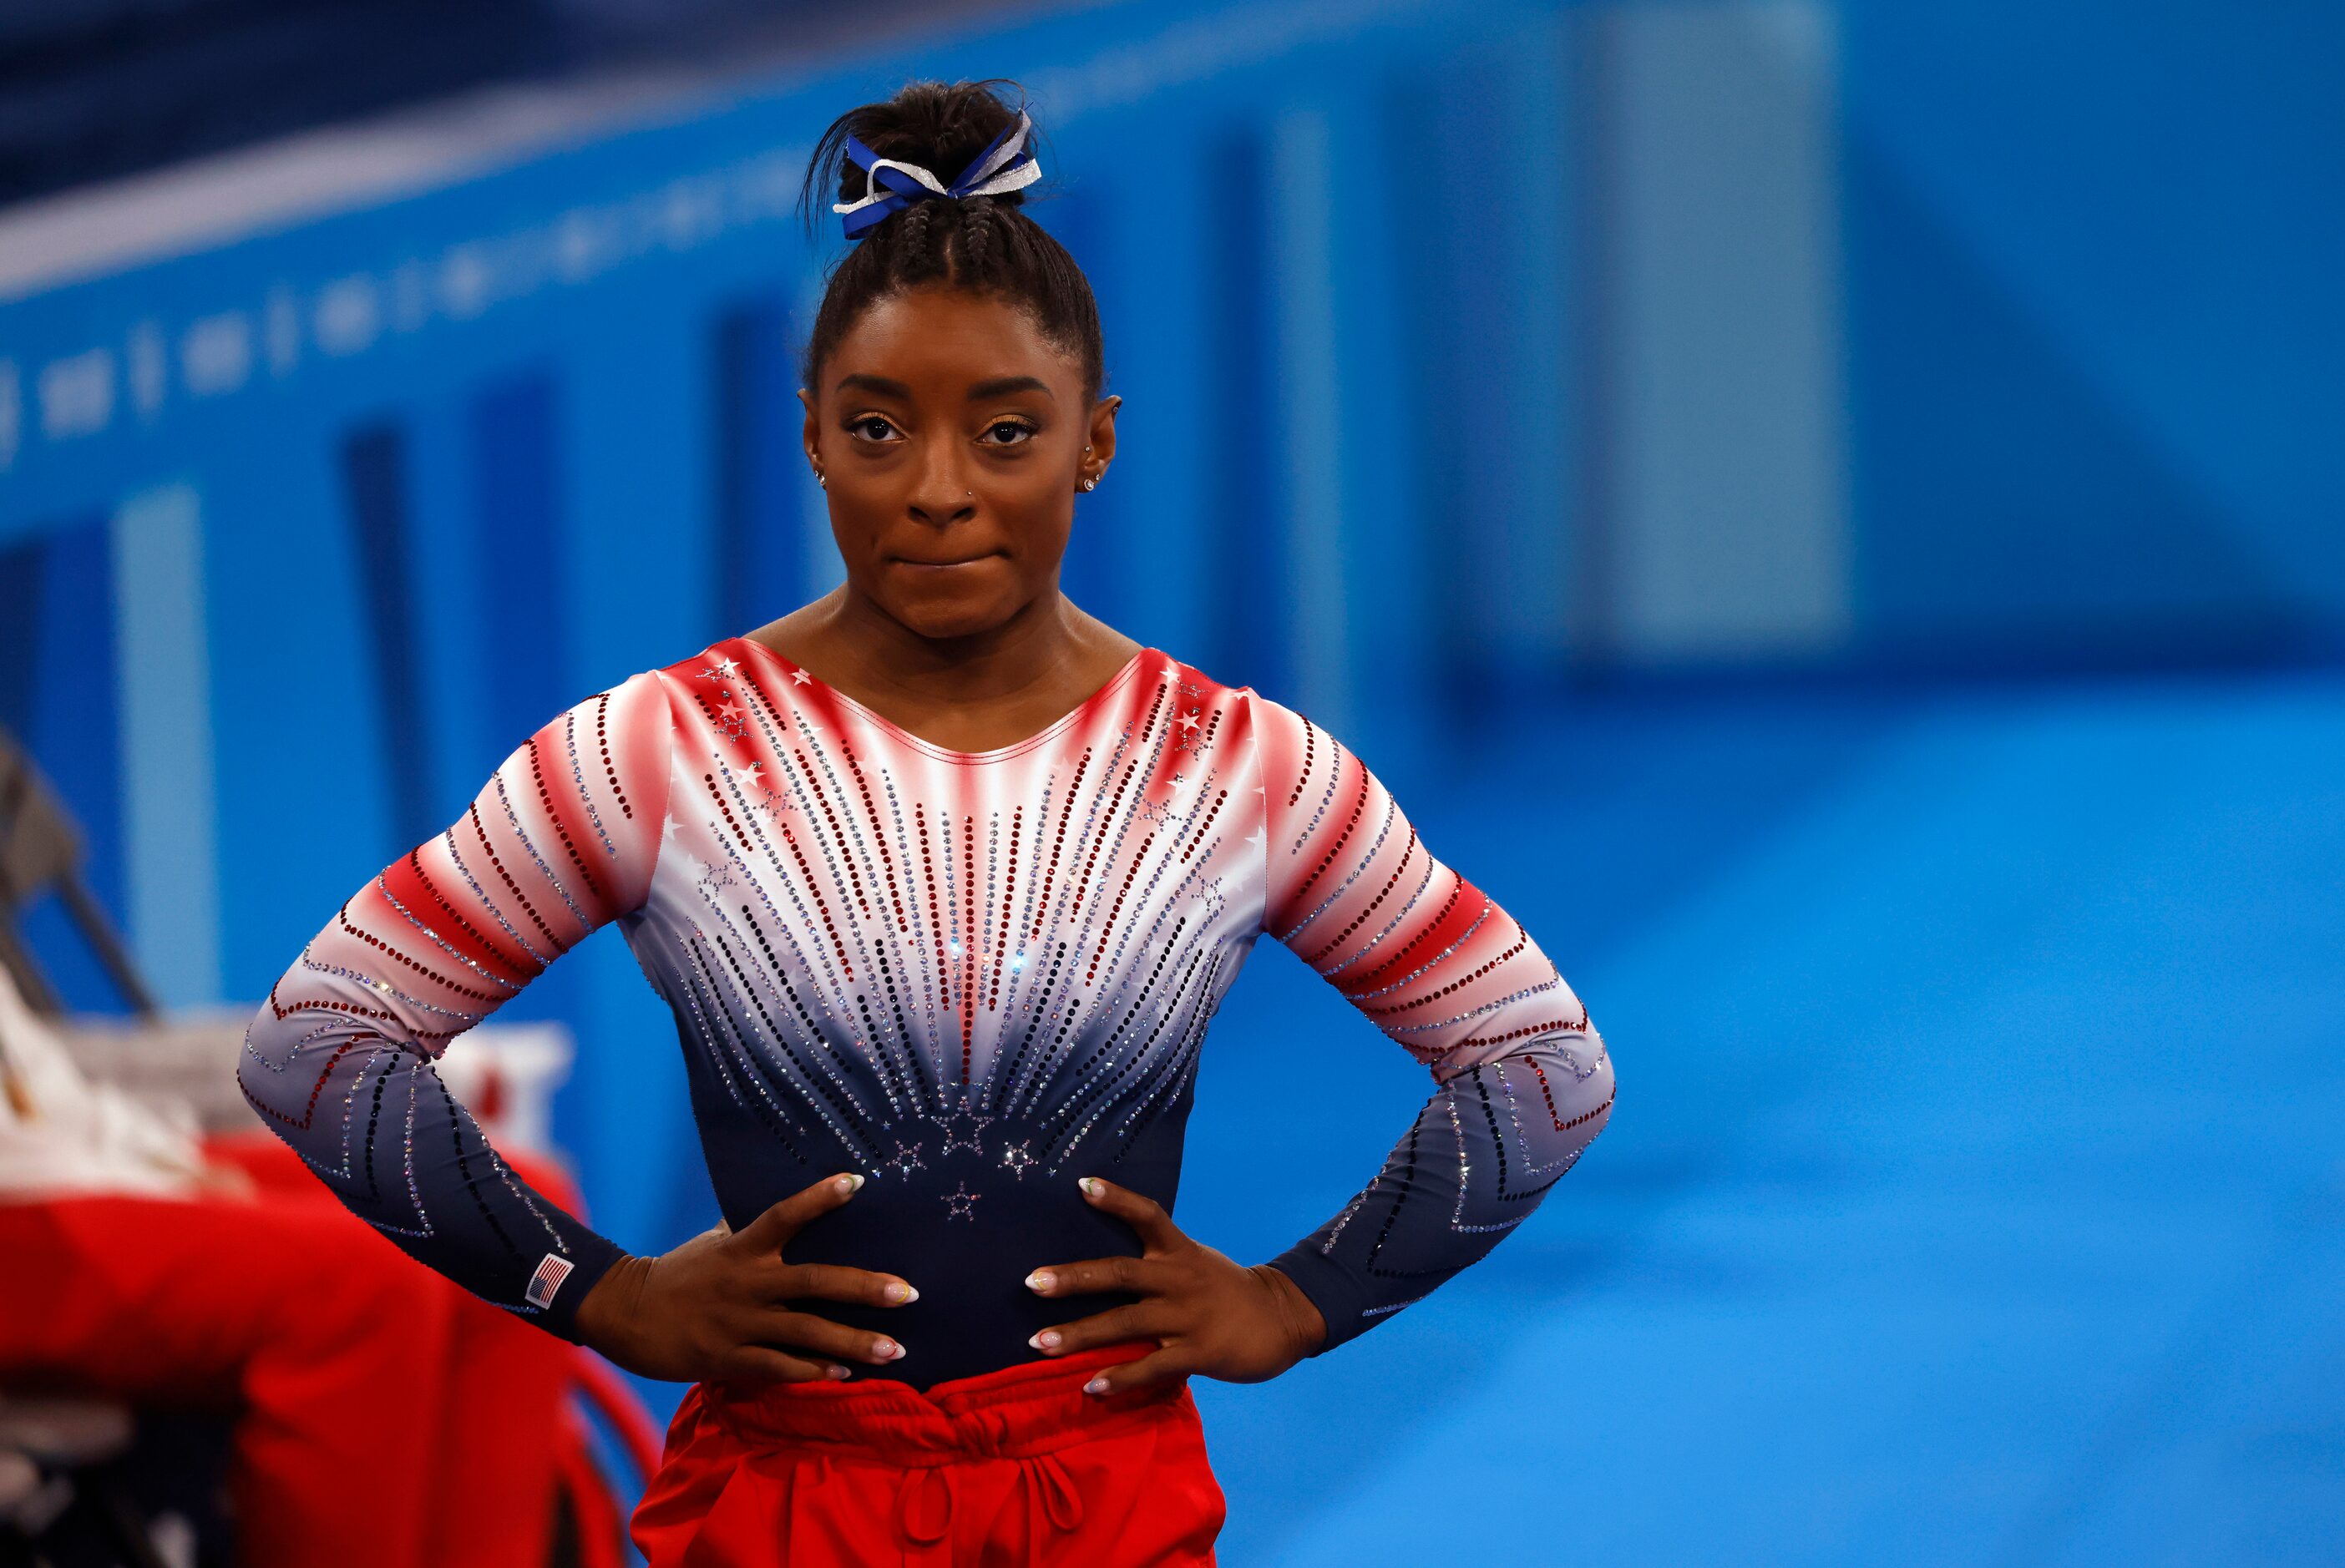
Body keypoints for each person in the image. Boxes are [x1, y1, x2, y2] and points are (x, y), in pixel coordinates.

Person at [237, 78, 1617, 1566]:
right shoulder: (657, 750)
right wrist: (600, 1291)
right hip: (784, 1502)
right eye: (879, 429)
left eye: (1005, 433)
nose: (940, 491)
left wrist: (1293, 1299)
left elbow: (1538, 1065)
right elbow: (320, 1040)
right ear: (813, 437)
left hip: (1104, 1495)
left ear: (1095, 443)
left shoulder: (1237, 768)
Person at [0, 960, 575, 1568]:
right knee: (361, 1287)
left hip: (61, 1148)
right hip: (28, 1189)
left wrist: (160, 1168)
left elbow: (34, 1078)